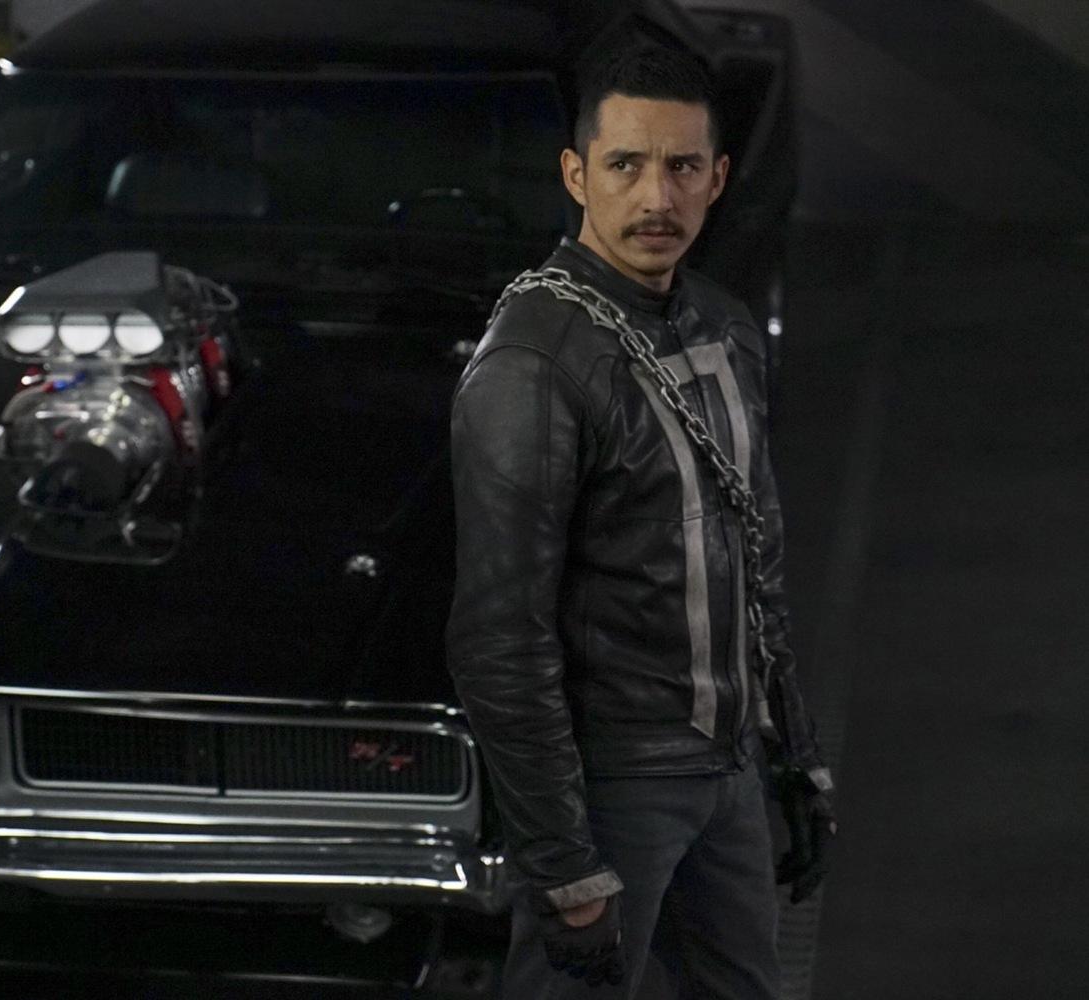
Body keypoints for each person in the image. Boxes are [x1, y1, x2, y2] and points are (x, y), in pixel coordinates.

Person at [445, 44, 836, 999]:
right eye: (625, 164)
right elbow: (499, 638)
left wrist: (795, 759)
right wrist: (562, 861)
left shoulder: (723, 327)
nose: (657, 197)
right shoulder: (534, 364)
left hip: (726, 775)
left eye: (682, 166)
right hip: (610, 789)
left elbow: (757, 564)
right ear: (576, 174)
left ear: (718, 178)